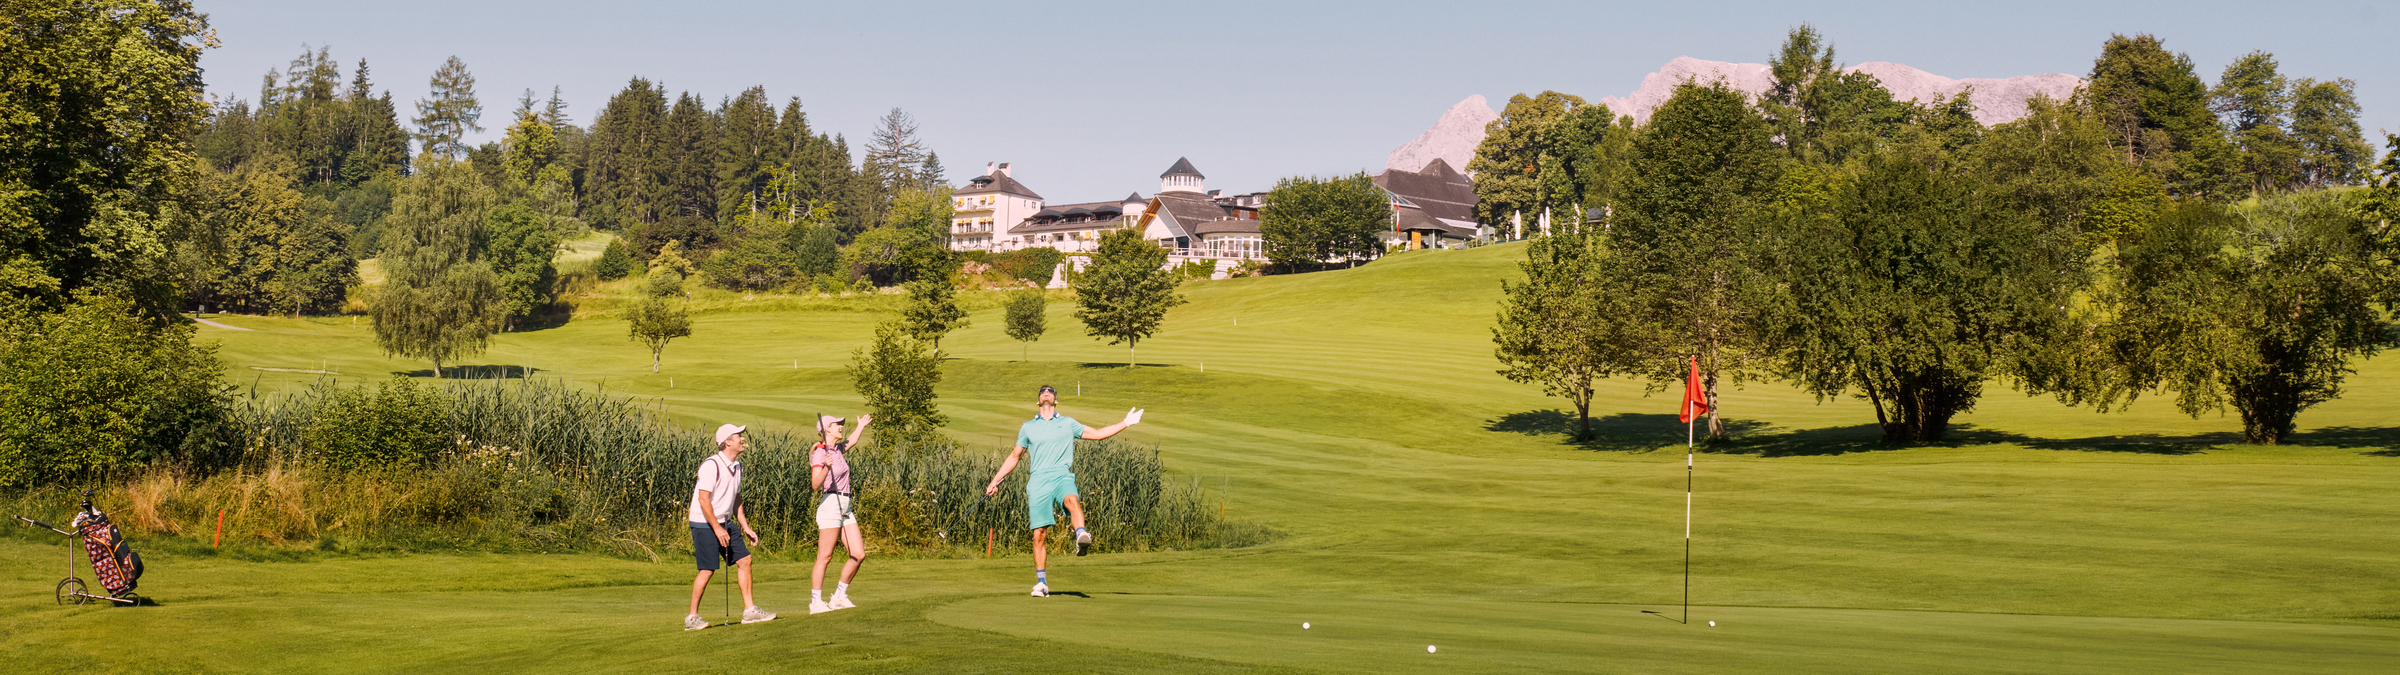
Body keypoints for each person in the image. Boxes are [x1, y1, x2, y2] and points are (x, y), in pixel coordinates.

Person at [984, 385, 1144, 597]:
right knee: (1038, 534)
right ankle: (1041, 583)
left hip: (1061, 475)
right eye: (1043, 391)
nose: (1046, 392)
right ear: (1038, 401)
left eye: (1050, 391)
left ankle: (1081, 536)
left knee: (1072, 500)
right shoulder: (1028, 427)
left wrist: (1126, 422)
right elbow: (1015, 457)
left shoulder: (1068, 423)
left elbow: (1097, 434)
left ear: (1056, 400)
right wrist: (995, 481)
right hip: (1038, 480)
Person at [685, 423, 777, 630]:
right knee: (707, 569)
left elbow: (736, 499)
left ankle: (749, 611)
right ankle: (691, 618)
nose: (743, 439)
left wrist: (745, 526)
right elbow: (703, 500)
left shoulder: (737, 466)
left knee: (745, 559)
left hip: (724, 521)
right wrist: (717, 529)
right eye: (738, 436)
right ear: (727, 442)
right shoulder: (711, 465)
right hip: (704, 523)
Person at [808, 413, 872, 614]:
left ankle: (838, 596)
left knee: (858, 553)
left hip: (846, 505)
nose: (840, 427)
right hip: (831, 505)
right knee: (824, 557)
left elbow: (851, 440)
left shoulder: (836, 449)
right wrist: (826, 467)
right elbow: (815, 484)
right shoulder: (820, 452)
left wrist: (861, 425)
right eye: (837, 424)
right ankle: (816, 602)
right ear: (827, 429)